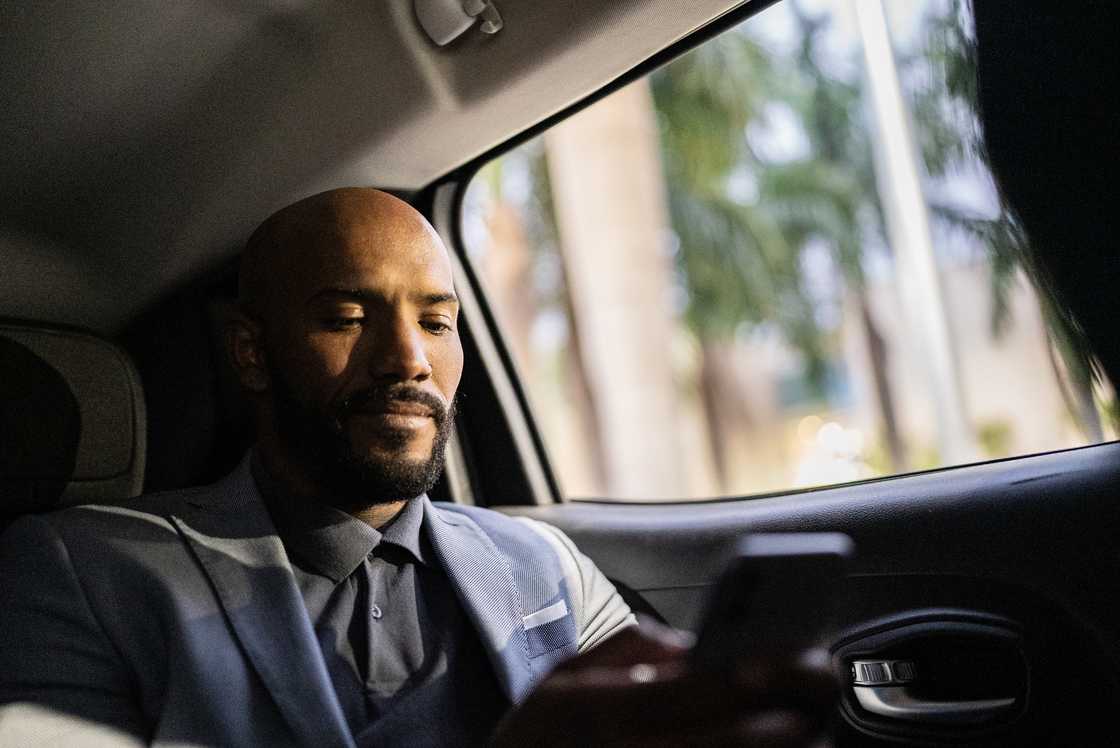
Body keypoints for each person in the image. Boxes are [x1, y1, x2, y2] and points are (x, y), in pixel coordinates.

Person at [0, 188, 836, 746]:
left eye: (437, 323)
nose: (409, 359)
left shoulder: (543, 566)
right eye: (347, 316)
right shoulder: (77, 570)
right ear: (252, 352)